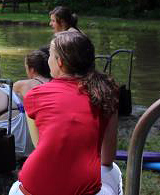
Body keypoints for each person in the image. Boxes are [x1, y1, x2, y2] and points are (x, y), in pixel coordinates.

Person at [9, 31, 122, 195]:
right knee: (113, 171)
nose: (47, 60)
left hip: (33, 187)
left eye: (50, 56)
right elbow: (107, 158)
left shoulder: (35, 94)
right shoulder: (106, 92)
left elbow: (41, 146)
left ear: (59, 62)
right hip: (85, 189)